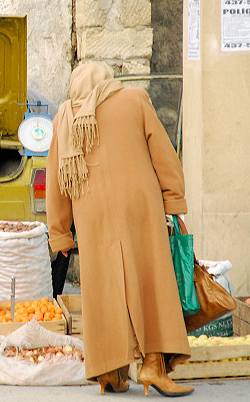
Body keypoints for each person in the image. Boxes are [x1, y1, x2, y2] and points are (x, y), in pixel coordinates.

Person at [46, 63, 193, 397]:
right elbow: (164, 156)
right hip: (140, 209)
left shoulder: (64, 118)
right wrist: (174, 202)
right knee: (150, 282)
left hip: (91, 217)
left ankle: (110, 373)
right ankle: (153, 366)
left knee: (104, 291)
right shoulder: (135, 99)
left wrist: (61, 234)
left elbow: (56, 182)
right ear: (107, 81)